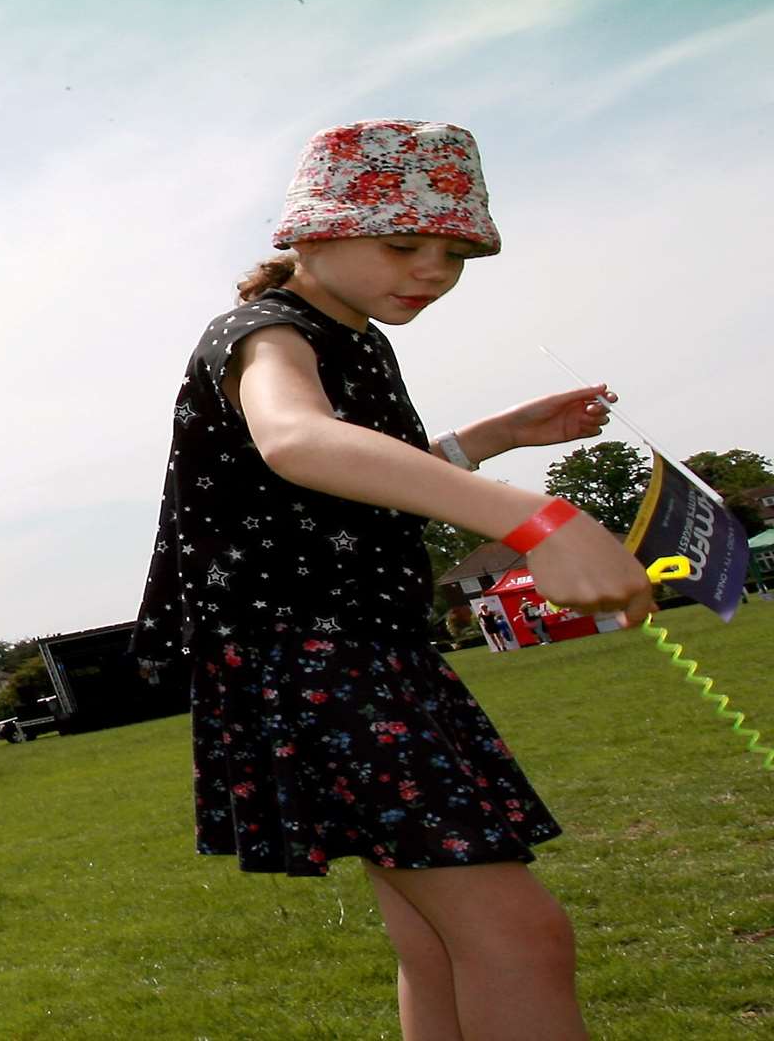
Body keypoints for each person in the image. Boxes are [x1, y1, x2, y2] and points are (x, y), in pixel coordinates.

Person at [131, 120, 655, 1040]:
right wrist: (536, 518)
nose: (431, 272)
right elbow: (295, 441)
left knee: (435, 937)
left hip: (367, 651)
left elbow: (358, 483)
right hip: (313, 658)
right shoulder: (266, 330)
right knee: (518, 936)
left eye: (454, 255)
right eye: (403, 243)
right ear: (310, 234)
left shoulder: (357, 337)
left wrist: (496, 435)